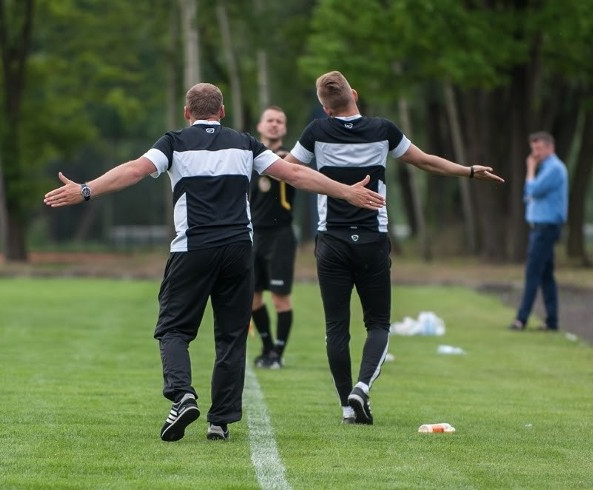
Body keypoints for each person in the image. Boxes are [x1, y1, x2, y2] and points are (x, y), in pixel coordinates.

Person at [43, 83, 385, 443]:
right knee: (232, 336)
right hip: (239, 251)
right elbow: (295, 174)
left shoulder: (174, 142)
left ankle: (182, 395)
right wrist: (347, 191)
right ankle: (219, 422)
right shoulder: (245, 142)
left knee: (173, 329)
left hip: (193, 249)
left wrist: (85, 190)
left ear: (187, 113)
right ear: (222, 112)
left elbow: (134, 170)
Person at [285, 70, 504, 425]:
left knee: (336, 329)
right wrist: (468, 170)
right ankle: (362, 388)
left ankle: (346, 406)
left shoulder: (316, 132)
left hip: (332, 242)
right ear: (354, 94)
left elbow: (287, 169)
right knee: (379, 324)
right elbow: (426, 161)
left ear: (325, 109)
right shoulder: (383, 130)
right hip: (372, 241)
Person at [249, 106, 297, 370]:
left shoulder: (288, 158)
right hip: (254, 234)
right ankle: (267, 349)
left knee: (280, 298)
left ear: (285, 128)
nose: (275, 124)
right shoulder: (248, 158)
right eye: (270, 120)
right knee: (253, 298)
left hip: (280, 236)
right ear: (260, 125)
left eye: (280, 121)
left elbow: (289, 165)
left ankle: (278, 352)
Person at [509, 131, 568, 331]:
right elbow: (529, 194)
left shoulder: (554, 168)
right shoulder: (547, 169)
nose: (535, 153)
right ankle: (552, 321)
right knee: (546, 276)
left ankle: (521, 319)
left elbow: (531, 190)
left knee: (532, 272)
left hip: (545, 228)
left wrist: (530, 168)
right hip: (541, 228)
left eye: (539, 148)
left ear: (551, 148)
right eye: (533, 149)